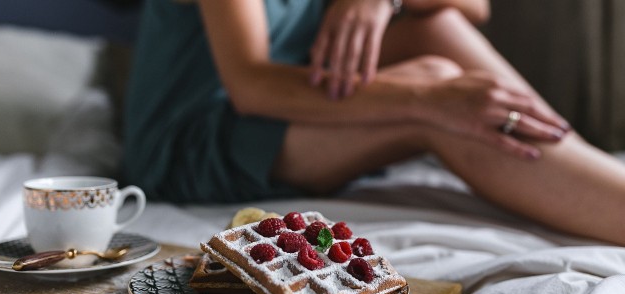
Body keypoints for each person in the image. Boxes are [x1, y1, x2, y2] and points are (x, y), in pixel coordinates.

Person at [123, 0, 625, 246]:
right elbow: (252, 85)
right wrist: (430, 98)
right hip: (198, 138)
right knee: (442, 95)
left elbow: (475, 6)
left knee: (437, 27)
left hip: (303, 95)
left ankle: (585, 168)